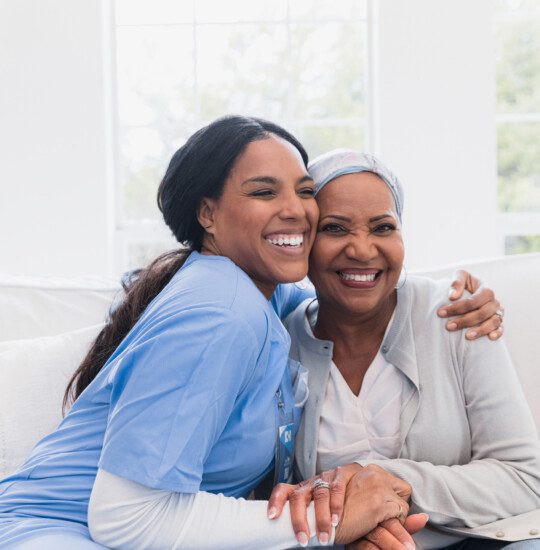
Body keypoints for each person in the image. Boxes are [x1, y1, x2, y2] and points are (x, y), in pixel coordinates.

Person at [0, 118, 503, 550]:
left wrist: (447, 300)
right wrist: (329, 525)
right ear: (207, 214)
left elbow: (344, 292)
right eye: (264, 192)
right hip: (58, 532)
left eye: (305, 192)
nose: (296, 210)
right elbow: (125, 515)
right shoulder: (220, 312)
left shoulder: (257, 294)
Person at [269, 149, 540, 549]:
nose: (362, 249)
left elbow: (525, 478)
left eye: (382, 228)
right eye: (335, 228)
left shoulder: (457, 314)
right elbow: (276, 495)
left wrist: (388, 479)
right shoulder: (280, 343)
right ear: (304, 240)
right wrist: (350, 534)